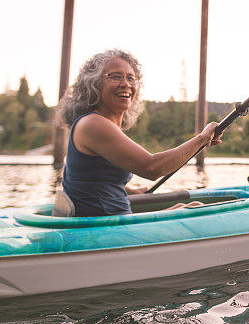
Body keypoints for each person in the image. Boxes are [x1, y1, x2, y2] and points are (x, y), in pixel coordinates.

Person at [55, 49, 221, 216]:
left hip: (116, 223)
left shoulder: (99, 124)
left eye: (130, 78)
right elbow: (152, 167)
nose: (126, 84)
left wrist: (131, 191)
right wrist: (202, 138)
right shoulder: (93, 124)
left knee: (192, 205)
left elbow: (92, 177)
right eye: (116, 76)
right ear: (94, 83)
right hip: (102, 231)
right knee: (198, 209)